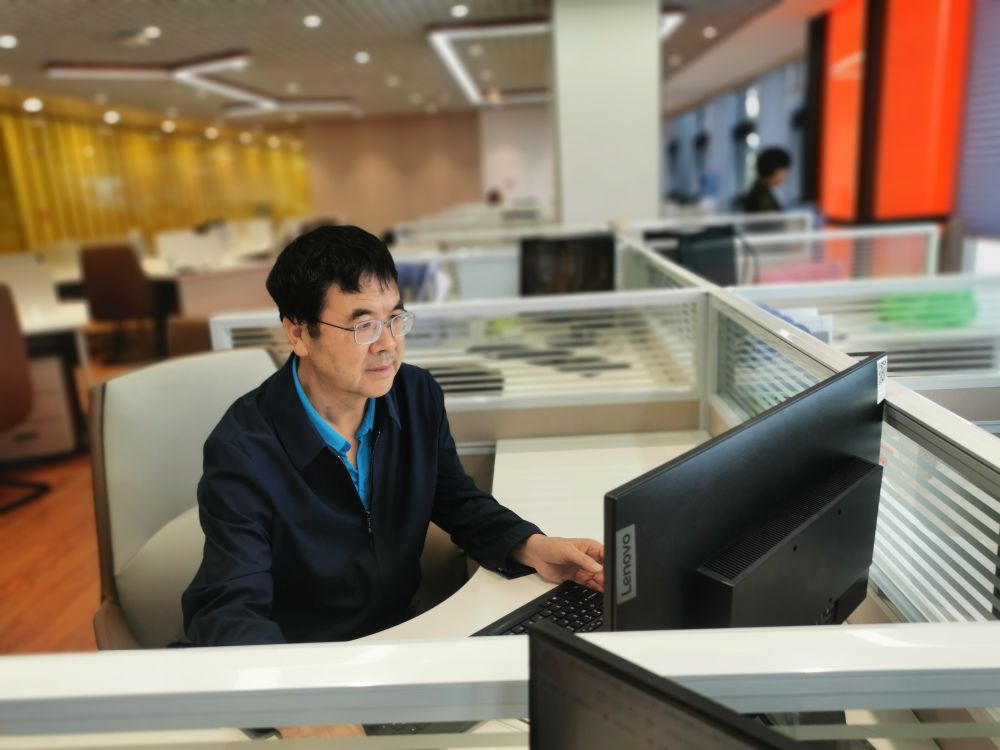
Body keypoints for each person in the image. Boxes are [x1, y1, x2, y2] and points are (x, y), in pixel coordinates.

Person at [181, 225, 604, 648]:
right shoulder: (243, 450)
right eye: (364, 326)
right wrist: (296, 689)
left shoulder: (415, 395)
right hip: (304, 659)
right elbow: (230, 609)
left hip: (399, 642)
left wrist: (531, 546)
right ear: (298, 334)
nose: (388, 345)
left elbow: (456, 500)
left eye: (395, 320)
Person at [742, 147, 792, 213]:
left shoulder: (761, 191)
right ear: (773, 169)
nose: (787, 174)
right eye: (784, 170)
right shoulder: (762, 198)